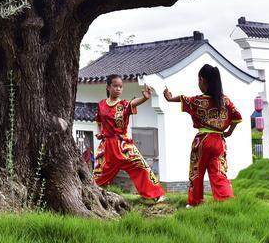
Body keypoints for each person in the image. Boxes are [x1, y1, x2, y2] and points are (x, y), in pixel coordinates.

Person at [163, 64, 242, 207]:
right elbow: (237, 116)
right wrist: (229, 131)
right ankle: (226, 201)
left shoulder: (198, 101)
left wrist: (169, 98)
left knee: (197, 172)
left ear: (202, 80)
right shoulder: (225, 101)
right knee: (219, 172)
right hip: (219, 141)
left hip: (202, 140)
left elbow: (183, 99)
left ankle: (195, 202)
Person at [93, 74, 166, 202]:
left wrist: (144, 97)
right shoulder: (101, 105)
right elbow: (99, 121)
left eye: (121, 87)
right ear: (108, 87)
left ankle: (156, 195)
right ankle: (91, 195)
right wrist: (100, 133)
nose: (118, 89)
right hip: (107, 147)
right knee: (99, 173)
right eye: (115, 86)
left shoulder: (124, 104)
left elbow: (134, 102)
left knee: (141, 166)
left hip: (123, 145)